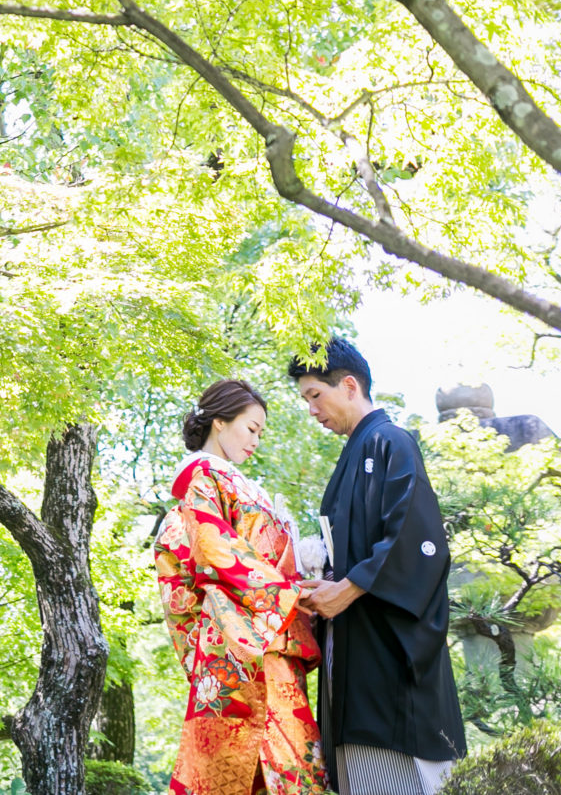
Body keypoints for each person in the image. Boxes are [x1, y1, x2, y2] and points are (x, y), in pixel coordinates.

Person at [291, 337, 465, 795]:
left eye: (316, 396)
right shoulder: (351, 457)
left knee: (398, 771)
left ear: (349, 386)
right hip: (349, 651)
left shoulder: (391, 441)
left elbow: (414, 536)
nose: (312, 411)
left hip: (387, 655)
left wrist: (347, 588)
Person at [154, 379, 329, 795]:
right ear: (219, 422)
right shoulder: (202, 477)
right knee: (285, 765)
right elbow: (216, 551)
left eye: (260, 434)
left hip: (268, 631)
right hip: (249, 639)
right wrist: (292, 593)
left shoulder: (236, 483)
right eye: (251, 429)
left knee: (278, 766)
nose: (256, 441)